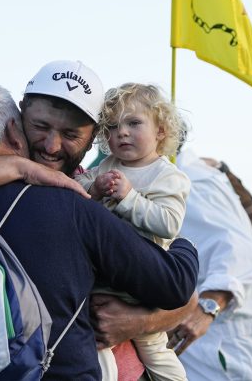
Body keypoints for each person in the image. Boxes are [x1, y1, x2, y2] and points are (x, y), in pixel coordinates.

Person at [0, 60, 197, 380]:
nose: (51, 146)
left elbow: (186, 300)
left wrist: (141, 322)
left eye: (70, 133)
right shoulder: (73, 204)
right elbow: (175, 284)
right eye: (40, 127)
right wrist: (184, 245)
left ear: (94, 136)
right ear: (17, 123)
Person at [76, 83, 190, 381]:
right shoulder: (107, 166)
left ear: (161, 131)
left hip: (142, 286)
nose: (122, 132)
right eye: (112, 127)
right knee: (97, 349)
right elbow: (75, 193)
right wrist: (94, 188)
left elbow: (169, 224)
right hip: (100, 281)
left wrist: (129, 199)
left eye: (134, 123)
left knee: (156, 353)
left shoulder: (168, 176)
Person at [166, 148, 252, 380]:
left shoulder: (189, 179)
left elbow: (239, 250)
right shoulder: (185, 174)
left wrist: (207, 309)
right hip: (211, 349)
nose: (121, 134)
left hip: (226, 351)